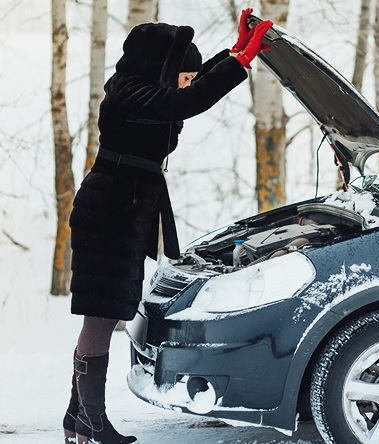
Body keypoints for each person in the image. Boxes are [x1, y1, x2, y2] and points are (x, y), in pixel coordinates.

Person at [62, 9, 272, 444]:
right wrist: (239, 64)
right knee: (101, 316)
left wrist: (231, 53)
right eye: (182, 74)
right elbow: (183, 102)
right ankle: (92, 423)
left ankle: (77, 417)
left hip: (125, 209)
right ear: (161, 68)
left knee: (106, 311)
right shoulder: (128, 92)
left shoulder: (142, 88)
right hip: (108, 214)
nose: (187, 83)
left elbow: (185, 91)